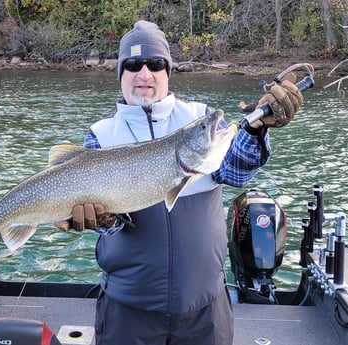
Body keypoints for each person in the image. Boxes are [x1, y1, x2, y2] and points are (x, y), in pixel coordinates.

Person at [53, 20, 303, 345]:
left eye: (155, 64)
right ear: (120, 74)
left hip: (206, 310)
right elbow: (109, 226)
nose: (144, 74)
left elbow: (238, 170)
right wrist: (101, 220)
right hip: (128, 311)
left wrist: (257, 128)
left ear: (167, 72)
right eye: (132, 64)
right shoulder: (100, 136)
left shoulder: (202, 118)